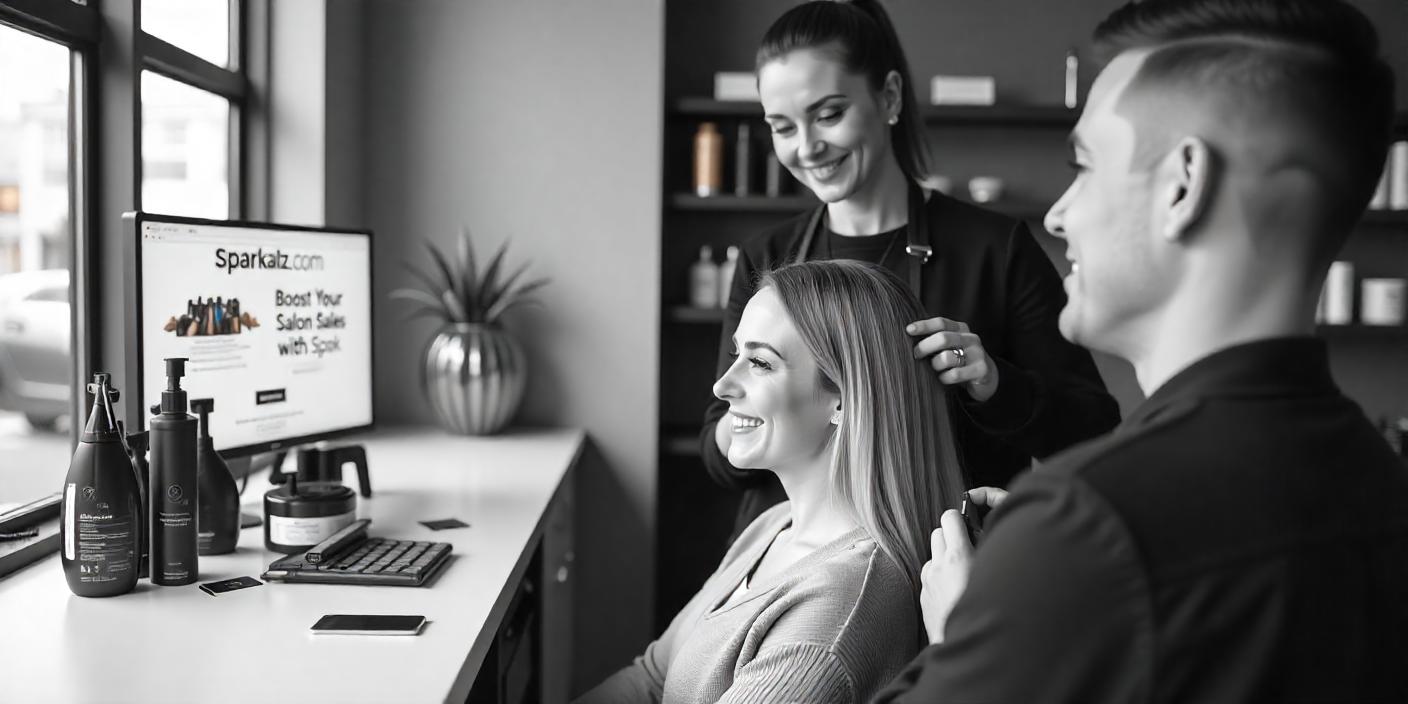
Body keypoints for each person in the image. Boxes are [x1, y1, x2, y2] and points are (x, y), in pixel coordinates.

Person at [876, 0, 1408, 701]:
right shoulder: (1384, 484)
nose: (1060, 214)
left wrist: (965, 632)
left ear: (1183, 185)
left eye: (1085, 165)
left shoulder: (1085, 525)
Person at [700, 0, 1120, 541]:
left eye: (828, 115)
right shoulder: (766, 256)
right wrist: (753, 412)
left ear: (890, 96)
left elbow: (1093, 429)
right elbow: (719, 452)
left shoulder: (996, 248)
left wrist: (995, 383)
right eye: (782, 127)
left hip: (948, 564)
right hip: (795, 563)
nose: (807, 148)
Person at [577, 261, 965, 703]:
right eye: (735, 355)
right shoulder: (774, 527)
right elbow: (650, 679)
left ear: (843, 397)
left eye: (760, 362)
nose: (723, 385)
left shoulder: (832, 618)